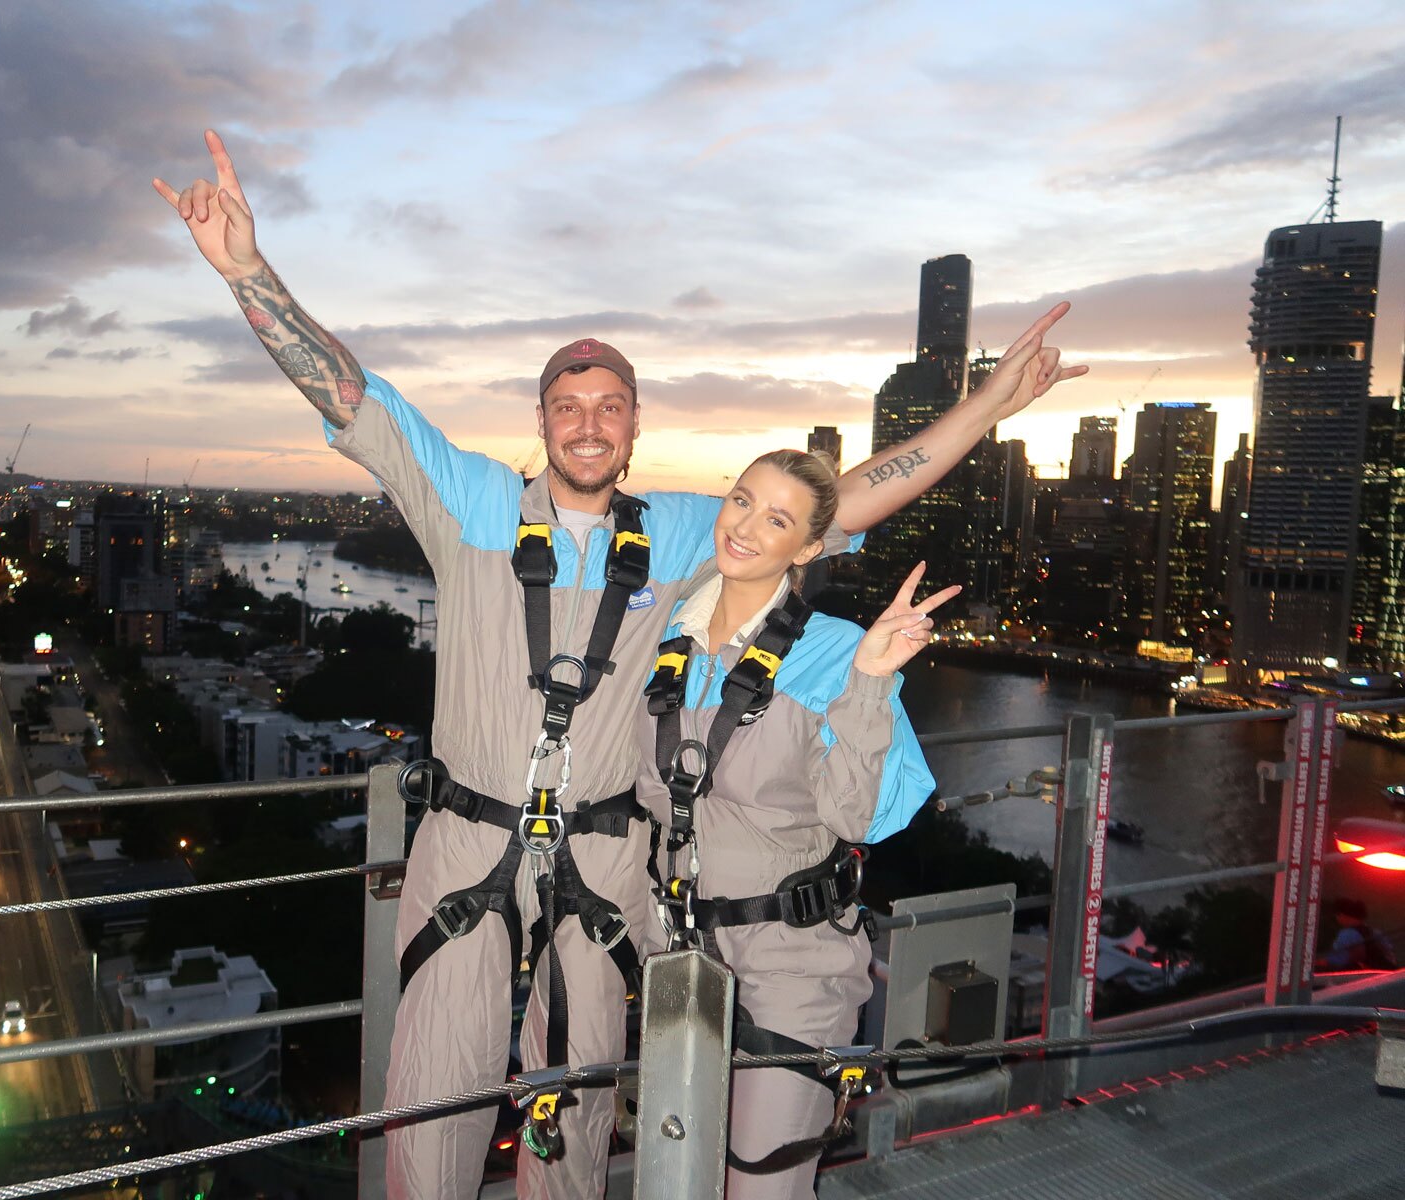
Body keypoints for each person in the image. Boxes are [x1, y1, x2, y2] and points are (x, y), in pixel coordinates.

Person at [154, 129, 1085, 1200]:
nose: (587, 423)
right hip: (466, 842)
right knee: (431, 1108)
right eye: (567, 403)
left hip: (605, 861)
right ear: (541, 420)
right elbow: (351, 398)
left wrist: (987, 406)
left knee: (579, 1110)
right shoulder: (475, 505)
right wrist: (246, 274)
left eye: (608, 405)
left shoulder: (688, 534)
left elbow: (838, 499)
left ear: (634, 425)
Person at [636, 452, 946, 1197]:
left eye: (776, 519)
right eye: (741, 501)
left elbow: (860, 816)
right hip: (677, 954)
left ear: (810, 547)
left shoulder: (836, 650)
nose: (744, 527)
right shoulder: (662, 636)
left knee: (762, 1185)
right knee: (677, 1177)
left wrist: (871, 684)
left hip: (791, 964)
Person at [1321, 897, 1398, 971]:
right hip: (1387, 974)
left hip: (1363, 977)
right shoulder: (1374, 932)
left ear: (1342, 915)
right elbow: (1389, 954)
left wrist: (1318, 962)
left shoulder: (1347, 934)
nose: (1337, 919)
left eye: (1337, 916)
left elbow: (1339, 960)